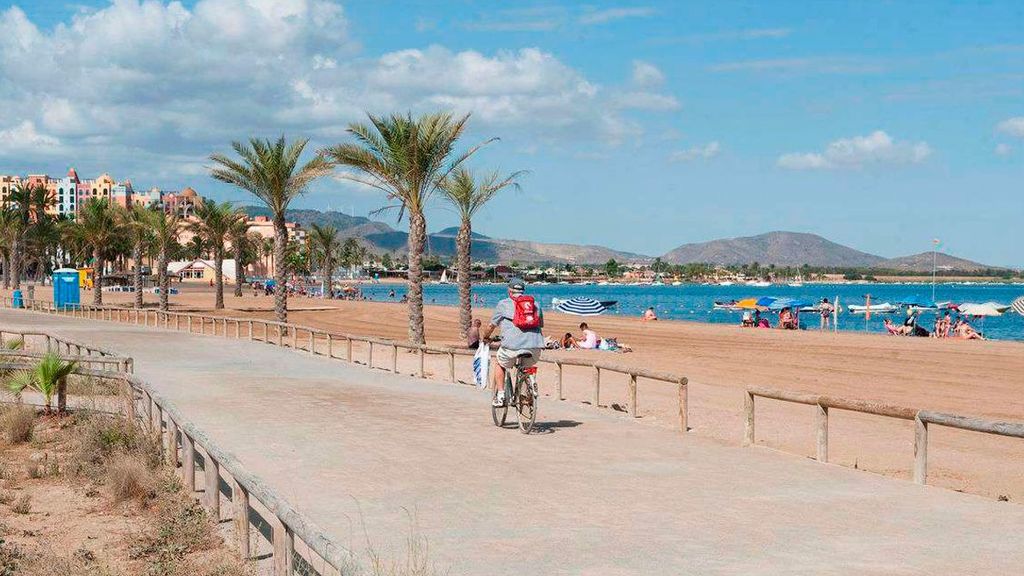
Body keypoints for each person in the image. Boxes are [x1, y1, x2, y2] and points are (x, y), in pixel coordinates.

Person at [480, 278, 545, 406]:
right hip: (535, 346)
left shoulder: (503, 304)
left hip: (512, 347)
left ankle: (501, 396)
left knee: (500, 363)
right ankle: (529, 390)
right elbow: (540, 324)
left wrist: (485, 337)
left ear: (509, 291)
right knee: (527, 367)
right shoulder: (535, 304)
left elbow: (491, 326)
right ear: (523, 291)